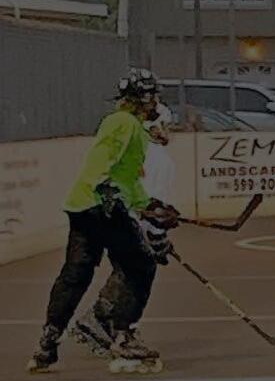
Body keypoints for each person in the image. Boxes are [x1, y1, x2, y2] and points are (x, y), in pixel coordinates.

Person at [27, 68, 179, 374]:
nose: (156, 103)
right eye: (152, 97)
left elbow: (128, 178)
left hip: (83, 205)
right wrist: (107, 191)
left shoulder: (134, 129)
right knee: (141, 264)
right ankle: (123, 336)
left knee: (76, 273)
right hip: (101, 205)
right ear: (143, 98)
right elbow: (101, 162)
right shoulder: (122, 122)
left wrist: (148, 205)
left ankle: (48, 343)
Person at [69, 101, 178, 362]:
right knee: (139, 273)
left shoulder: (134, 147)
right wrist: (157, 237)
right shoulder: (160, 159)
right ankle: (121, 332)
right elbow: (150, 205)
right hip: (127, 222)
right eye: (165, 125)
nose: (168, 130)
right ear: (154, 127)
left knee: (126, 271)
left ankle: (99, 321)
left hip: (107, 217)